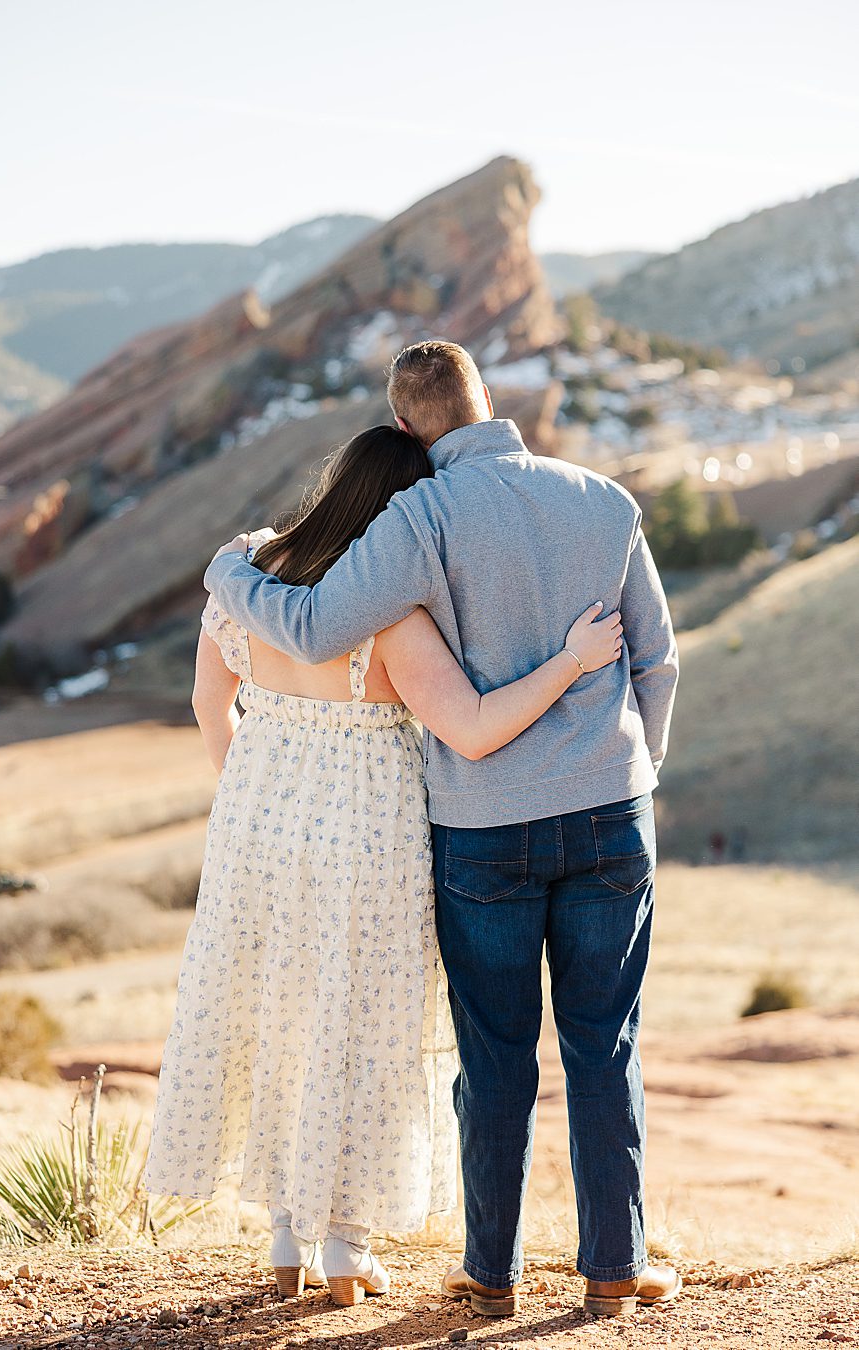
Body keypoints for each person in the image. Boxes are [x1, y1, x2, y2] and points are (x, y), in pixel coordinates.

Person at [202, 343, 681, 1320]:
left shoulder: (421, 512)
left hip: (484, 825)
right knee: (604, 1047)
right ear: (486, 402)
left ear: (410, 426)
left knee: (495, 1055)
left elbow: (315, 625)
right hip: (610, 813)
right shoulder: (606, 500)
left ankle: (491, 1276)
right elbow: (658, 666)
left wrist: (230, 575)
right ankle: (611, 1272)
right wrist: (632, 773)